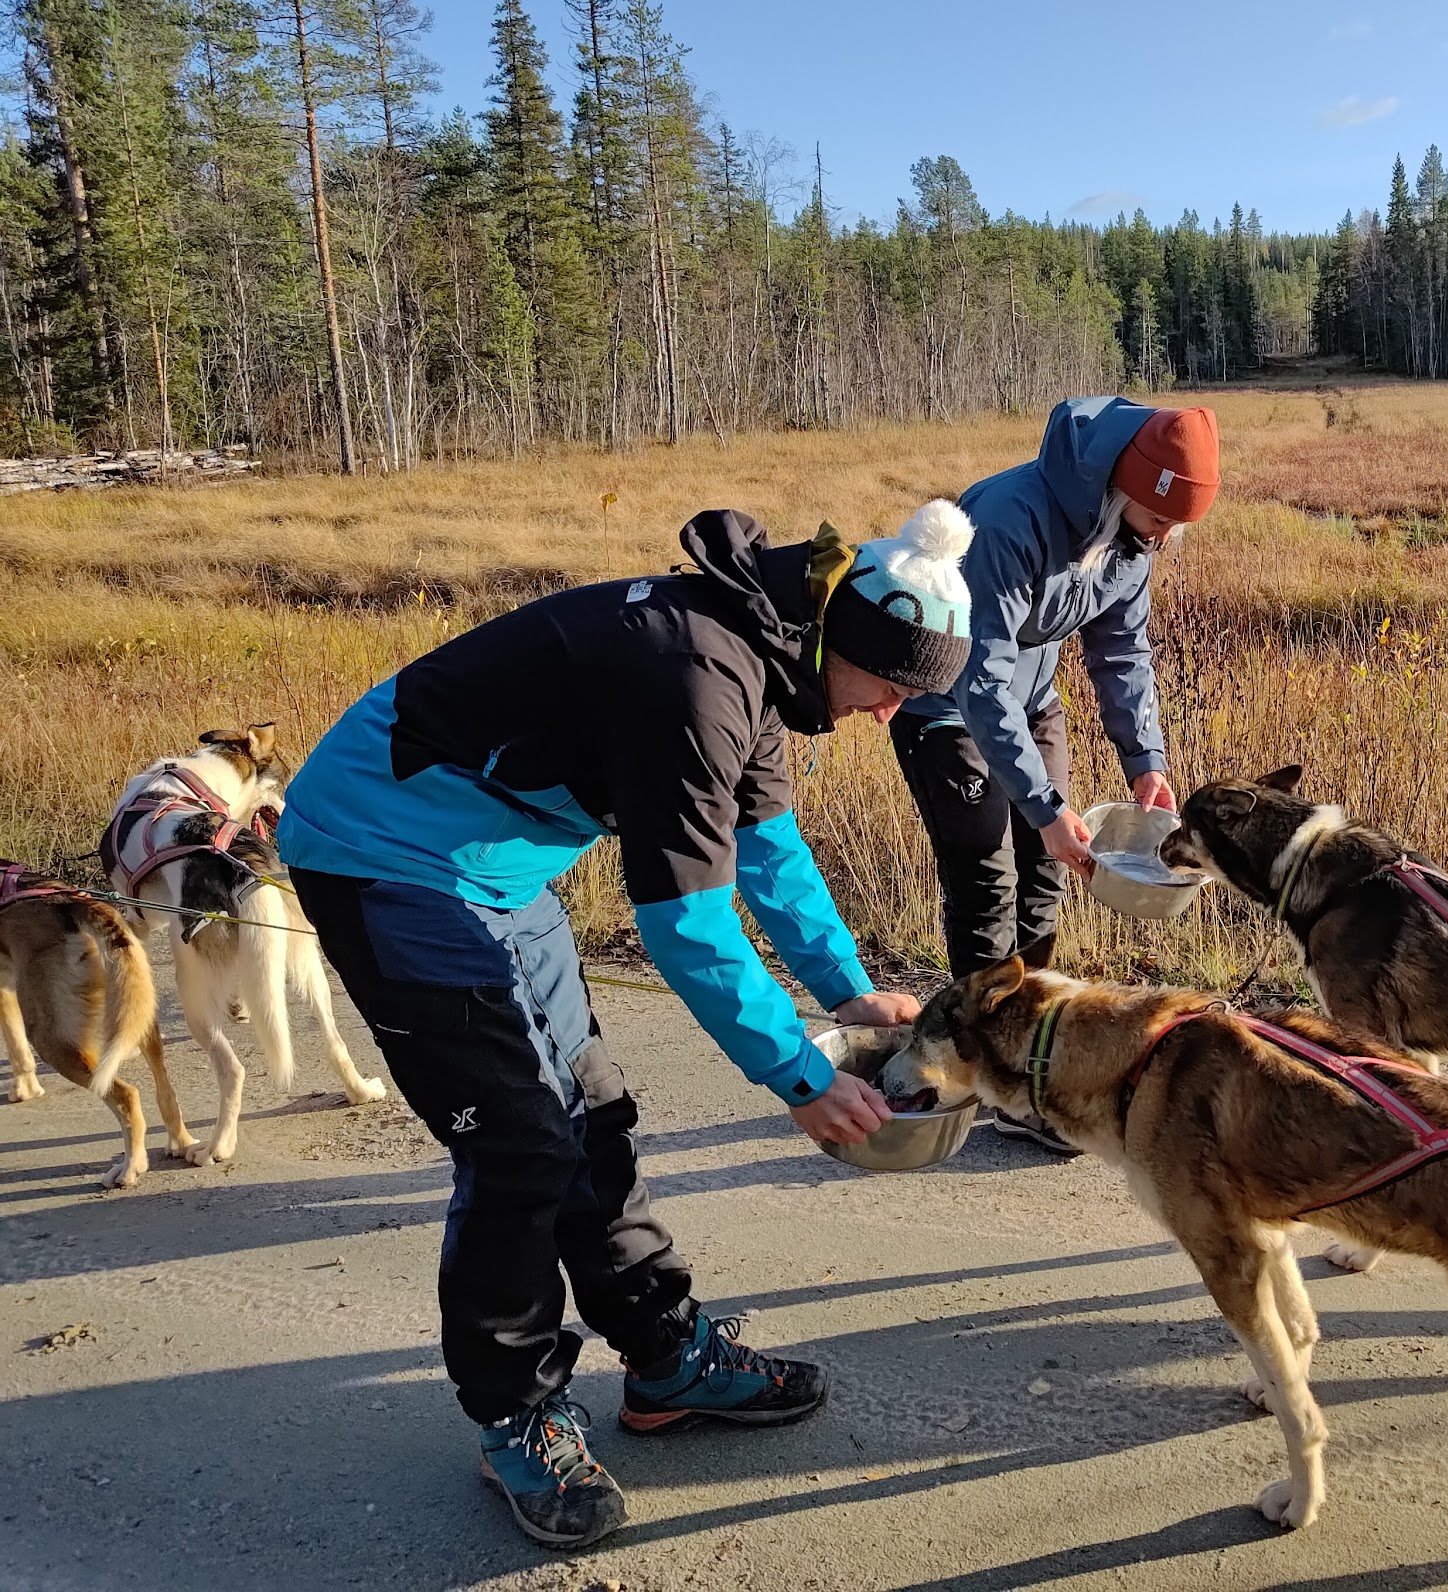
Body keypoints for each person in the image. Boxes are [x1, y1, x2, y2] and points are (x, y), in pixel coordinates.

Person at [280, 499, 975, 1551]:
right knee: (521, 1146)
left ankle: (668, 1362)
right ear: (852, 645)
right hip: (385, 856)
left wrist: (846, 992)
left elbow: (770, 851)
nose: (889, 714)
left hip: (501, 873)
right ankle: (512, 1416)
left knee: (590, 1110)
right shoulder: (696, 679)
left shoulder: (765, 658)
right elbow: (687, 925)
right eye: (894, 687)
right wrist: (800, 1075)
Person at [891, 398, 1218, 1149]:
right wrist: (1041, 802)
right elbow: (979, 680)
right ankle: (975, 1072)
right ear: (1121, 484)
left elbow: (1121, 653)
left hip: (1031, 700)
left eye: (1177, 527)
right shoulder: (1013, 520)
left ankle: (1027, 1070)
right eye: (1162, 518)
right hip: (945, 706)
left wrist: (1146, 764)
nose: (1167, 539)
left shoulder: (1133, 541)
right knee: (985, 878)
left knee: (1045, 873)